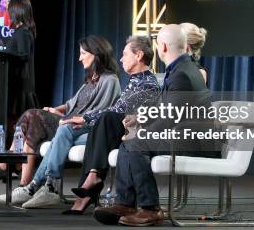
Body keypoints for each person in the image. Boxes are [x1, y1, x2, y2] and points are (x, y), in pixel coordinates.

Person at [0, 35, 121, 205]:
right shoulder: (90, 80)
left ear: (95, 54)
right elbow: (71, 104)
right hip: (70, 123)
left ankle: (17, 174)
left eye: (83, 53)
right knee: (33, 122)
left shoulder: (110, 80)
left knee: (32, 115)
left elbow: (99, 114)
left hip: (86, 126)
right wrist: (56, 110)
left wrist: (64, 117)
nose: (79, 58)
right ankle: (29, 185)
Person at [20, 36, 161, 210]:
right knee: (66, 128)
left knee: (96, 123)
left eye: (125, 54)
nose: (121, 58)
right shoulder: (133, 82)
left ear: (138, 55)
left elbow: (116, 112)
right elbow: (113, 109)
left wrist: (85, 118)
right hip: (111, 130)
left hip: (129, 135)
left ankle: (68, 186)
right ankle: (46, 185)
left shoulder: (146, 83)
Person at [93, 24, 211, 227]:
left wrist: (144, 132)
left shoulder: (182, 73)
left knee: (136, 143)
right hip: (185, 133)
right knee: (129, 142)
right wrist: (140, 117)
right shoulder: (182, 68)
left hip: (192, 141)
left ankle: (150, 209)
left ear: (163, 47)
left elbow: (171, 117)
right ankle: (126, 203)